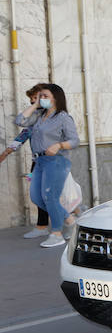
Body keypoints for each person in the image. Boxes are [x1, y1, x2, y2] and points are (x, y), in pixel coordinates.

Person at [25, 83, 80, 247]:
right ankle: (70, 220)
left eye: (45, 96)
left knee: (50, 197)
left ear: (56, 98)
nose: (41, 99)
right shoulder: (38, 116)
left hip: (56, 161)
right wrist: (35, 104)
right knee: (37, 197)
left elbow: (75, 141)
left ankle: (56, 234)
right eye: (40, 96)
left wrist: (59, 145)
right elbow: (20, 121)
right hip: (39, 161)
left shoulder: (63, 117)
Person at [1, 84, 53, 237]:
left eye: (36, 99)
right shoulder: (35, 117)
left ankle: (71, 218)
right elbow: (24, 134)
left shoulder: (55, 115)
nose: (35, 104)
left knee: (53, 195)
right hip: (37, 163)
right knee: (38, 194)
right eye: (32, 102)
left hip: (53, 162)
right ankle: (43, 226)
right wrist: (5, 153)